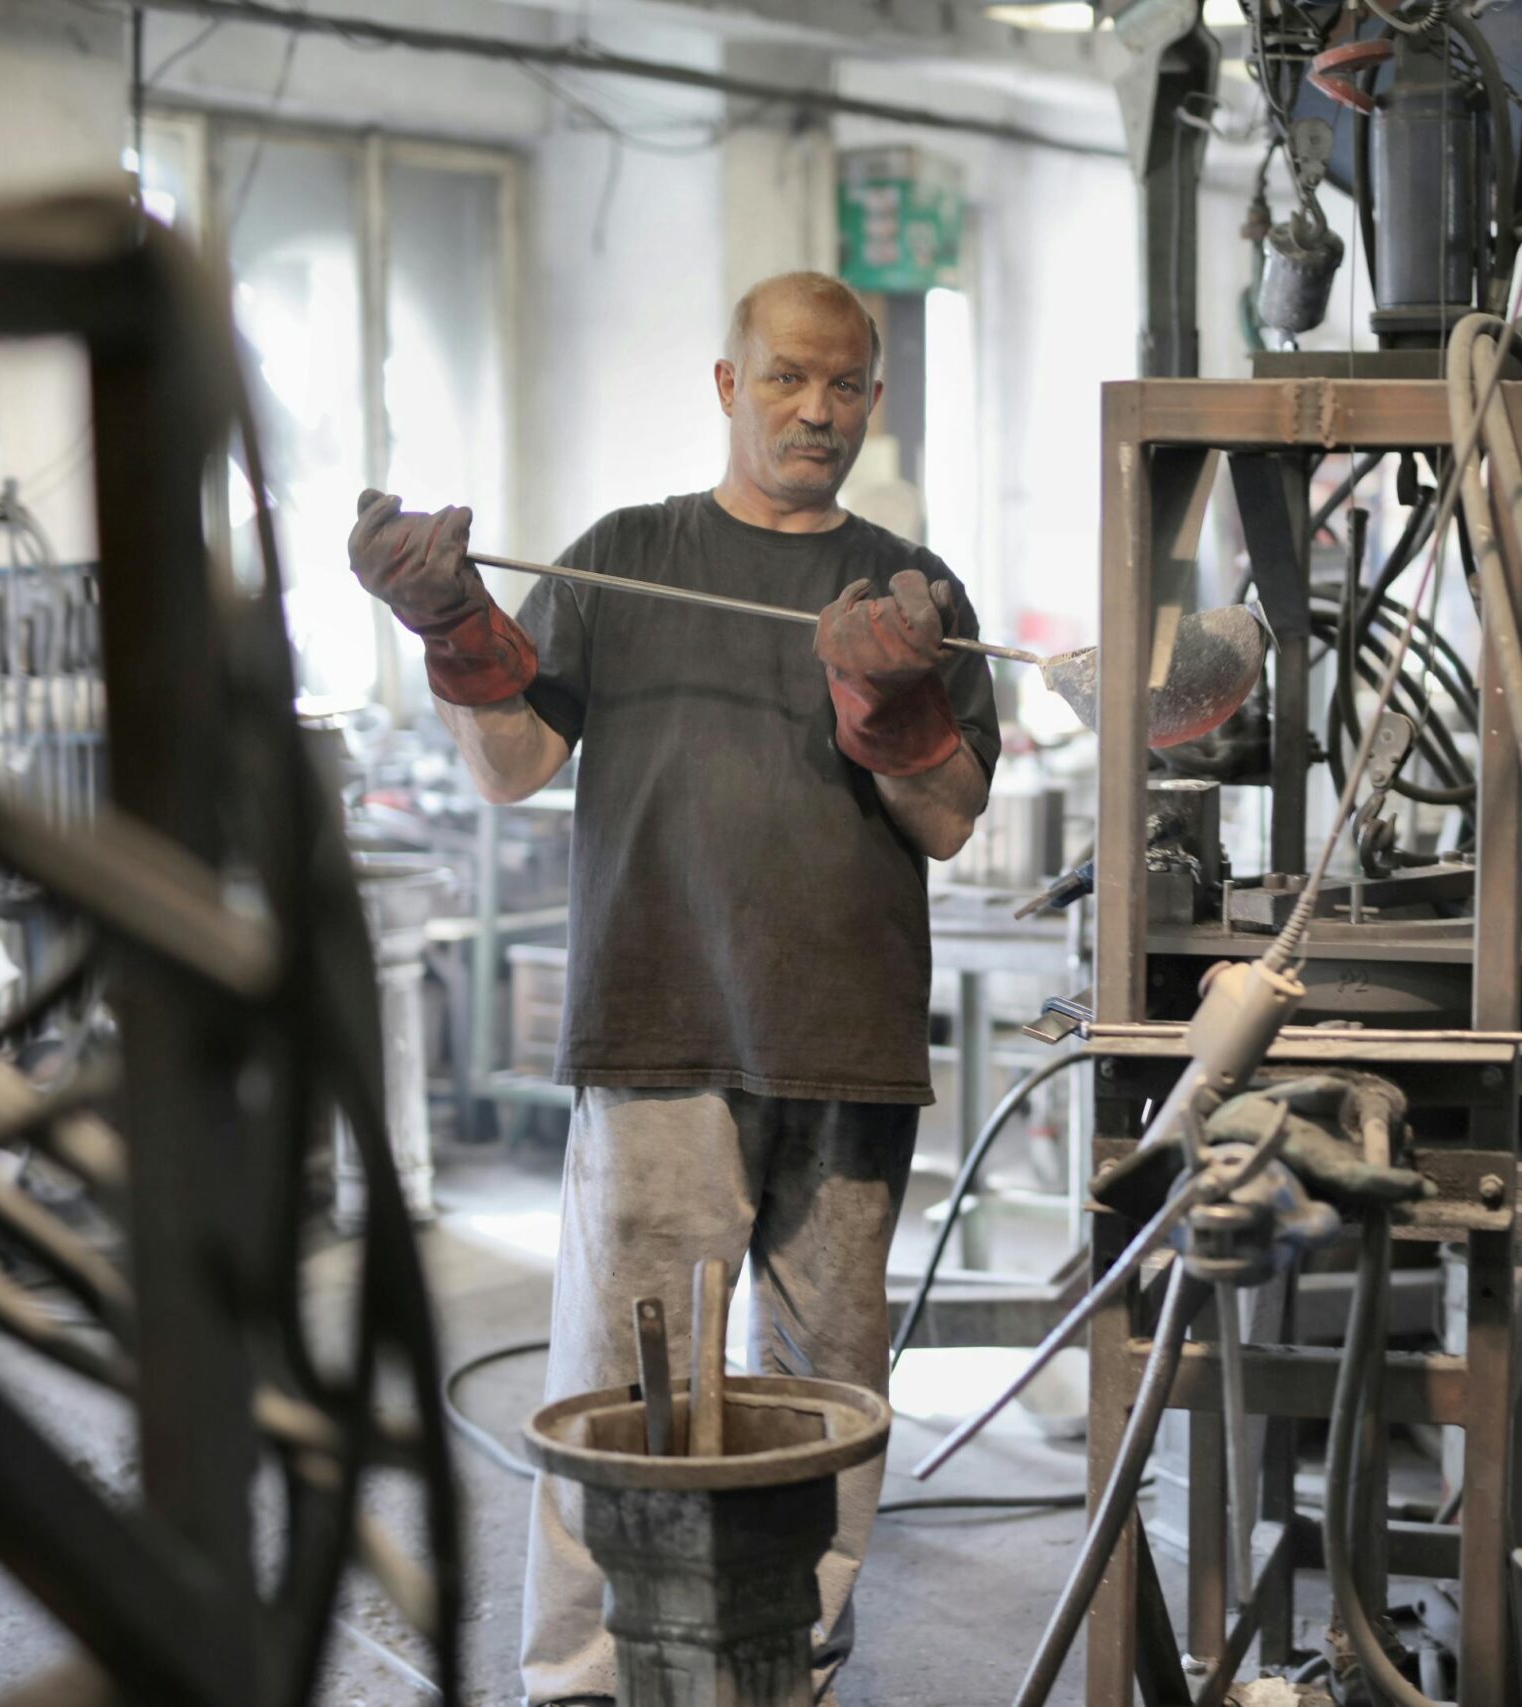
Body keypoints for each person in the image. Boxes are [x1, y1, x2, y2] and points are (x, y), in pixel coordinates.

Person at [344, 271, 999, 1706]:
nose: (815, 409)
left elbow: (949, 820)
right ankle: (586, 1677)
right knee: (618, 1382)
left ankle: (793, 1660)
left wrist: (896, 710)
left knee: (830, 1387)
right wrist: (456, 631)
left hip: (845, 1036)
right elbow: (516, 765)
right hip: (657, 1025)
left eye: (843, 386)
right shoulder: (619, 556)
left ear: (874, 402)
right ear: (727, 384)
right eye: (785, 379)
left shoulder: (911, 587)